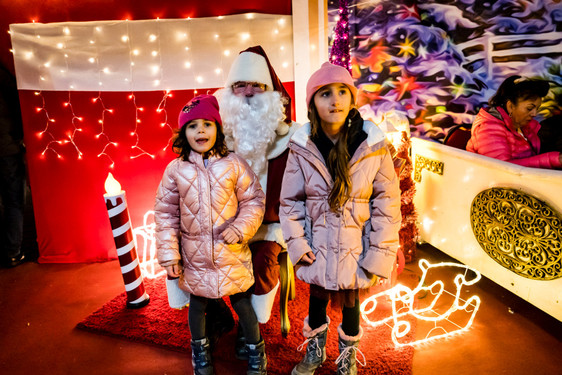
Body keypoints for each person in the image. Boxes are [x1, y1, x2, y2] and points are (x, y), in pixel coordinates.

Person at [279, 62, 402, 375]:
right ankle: (316, 351)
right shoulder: (302, 147)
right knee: (317, 298)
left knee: (351, 301)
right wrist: (297, 244)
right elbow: (290, 202)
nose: (334, 100)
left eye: (342, 92)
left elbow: (387, 203)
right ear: (312, 104)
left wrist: (378, 254)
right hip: (316, 243)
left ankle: (347, 357)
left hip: (355, 244)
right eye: (324, 94)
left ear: (352, 98)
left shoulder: (373, 146)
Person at [154, 95, 267, 375]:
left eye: (207, 124)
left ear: (218, 128)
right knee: (197, 305)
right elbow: (165, 214)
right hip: (195, 257)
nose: (201, 131)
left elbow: (254, 200)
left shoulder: (233, 163)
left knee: (243, 303)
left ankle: (255, 350)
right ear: (183, 134)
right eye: (193, 126)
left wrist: (240, 228)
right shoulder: (175, 170)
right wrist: (170, 253)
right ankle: (200, 350)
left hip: (231, 253)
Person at [213, 45, 300, 355]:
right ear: (230, 91)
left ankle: (249, 327)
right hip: (226, 223)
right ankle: (220, 315)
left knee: (259, 264)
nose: (248, 93)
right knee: (199, 255)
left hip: (269, 227)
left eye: (257, 86)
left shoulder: (291, 137)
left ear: (269, 92)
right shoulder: (216, 136)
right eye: (240, 85)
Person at [466, 75, 562, 169]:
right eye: (530, 108)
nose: (534, 114)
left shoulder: (524, 127)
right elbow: (500, 169)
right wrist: (553, 160)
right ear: (510, 106)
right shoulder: (488, 128)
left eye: (537, 109)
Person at [0, 64, 26, 268]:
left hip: (6, 144)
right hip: (5, 146)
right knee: (13, 200)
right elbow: (17, 104)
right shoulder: (2, 73)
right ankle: (12, 252)